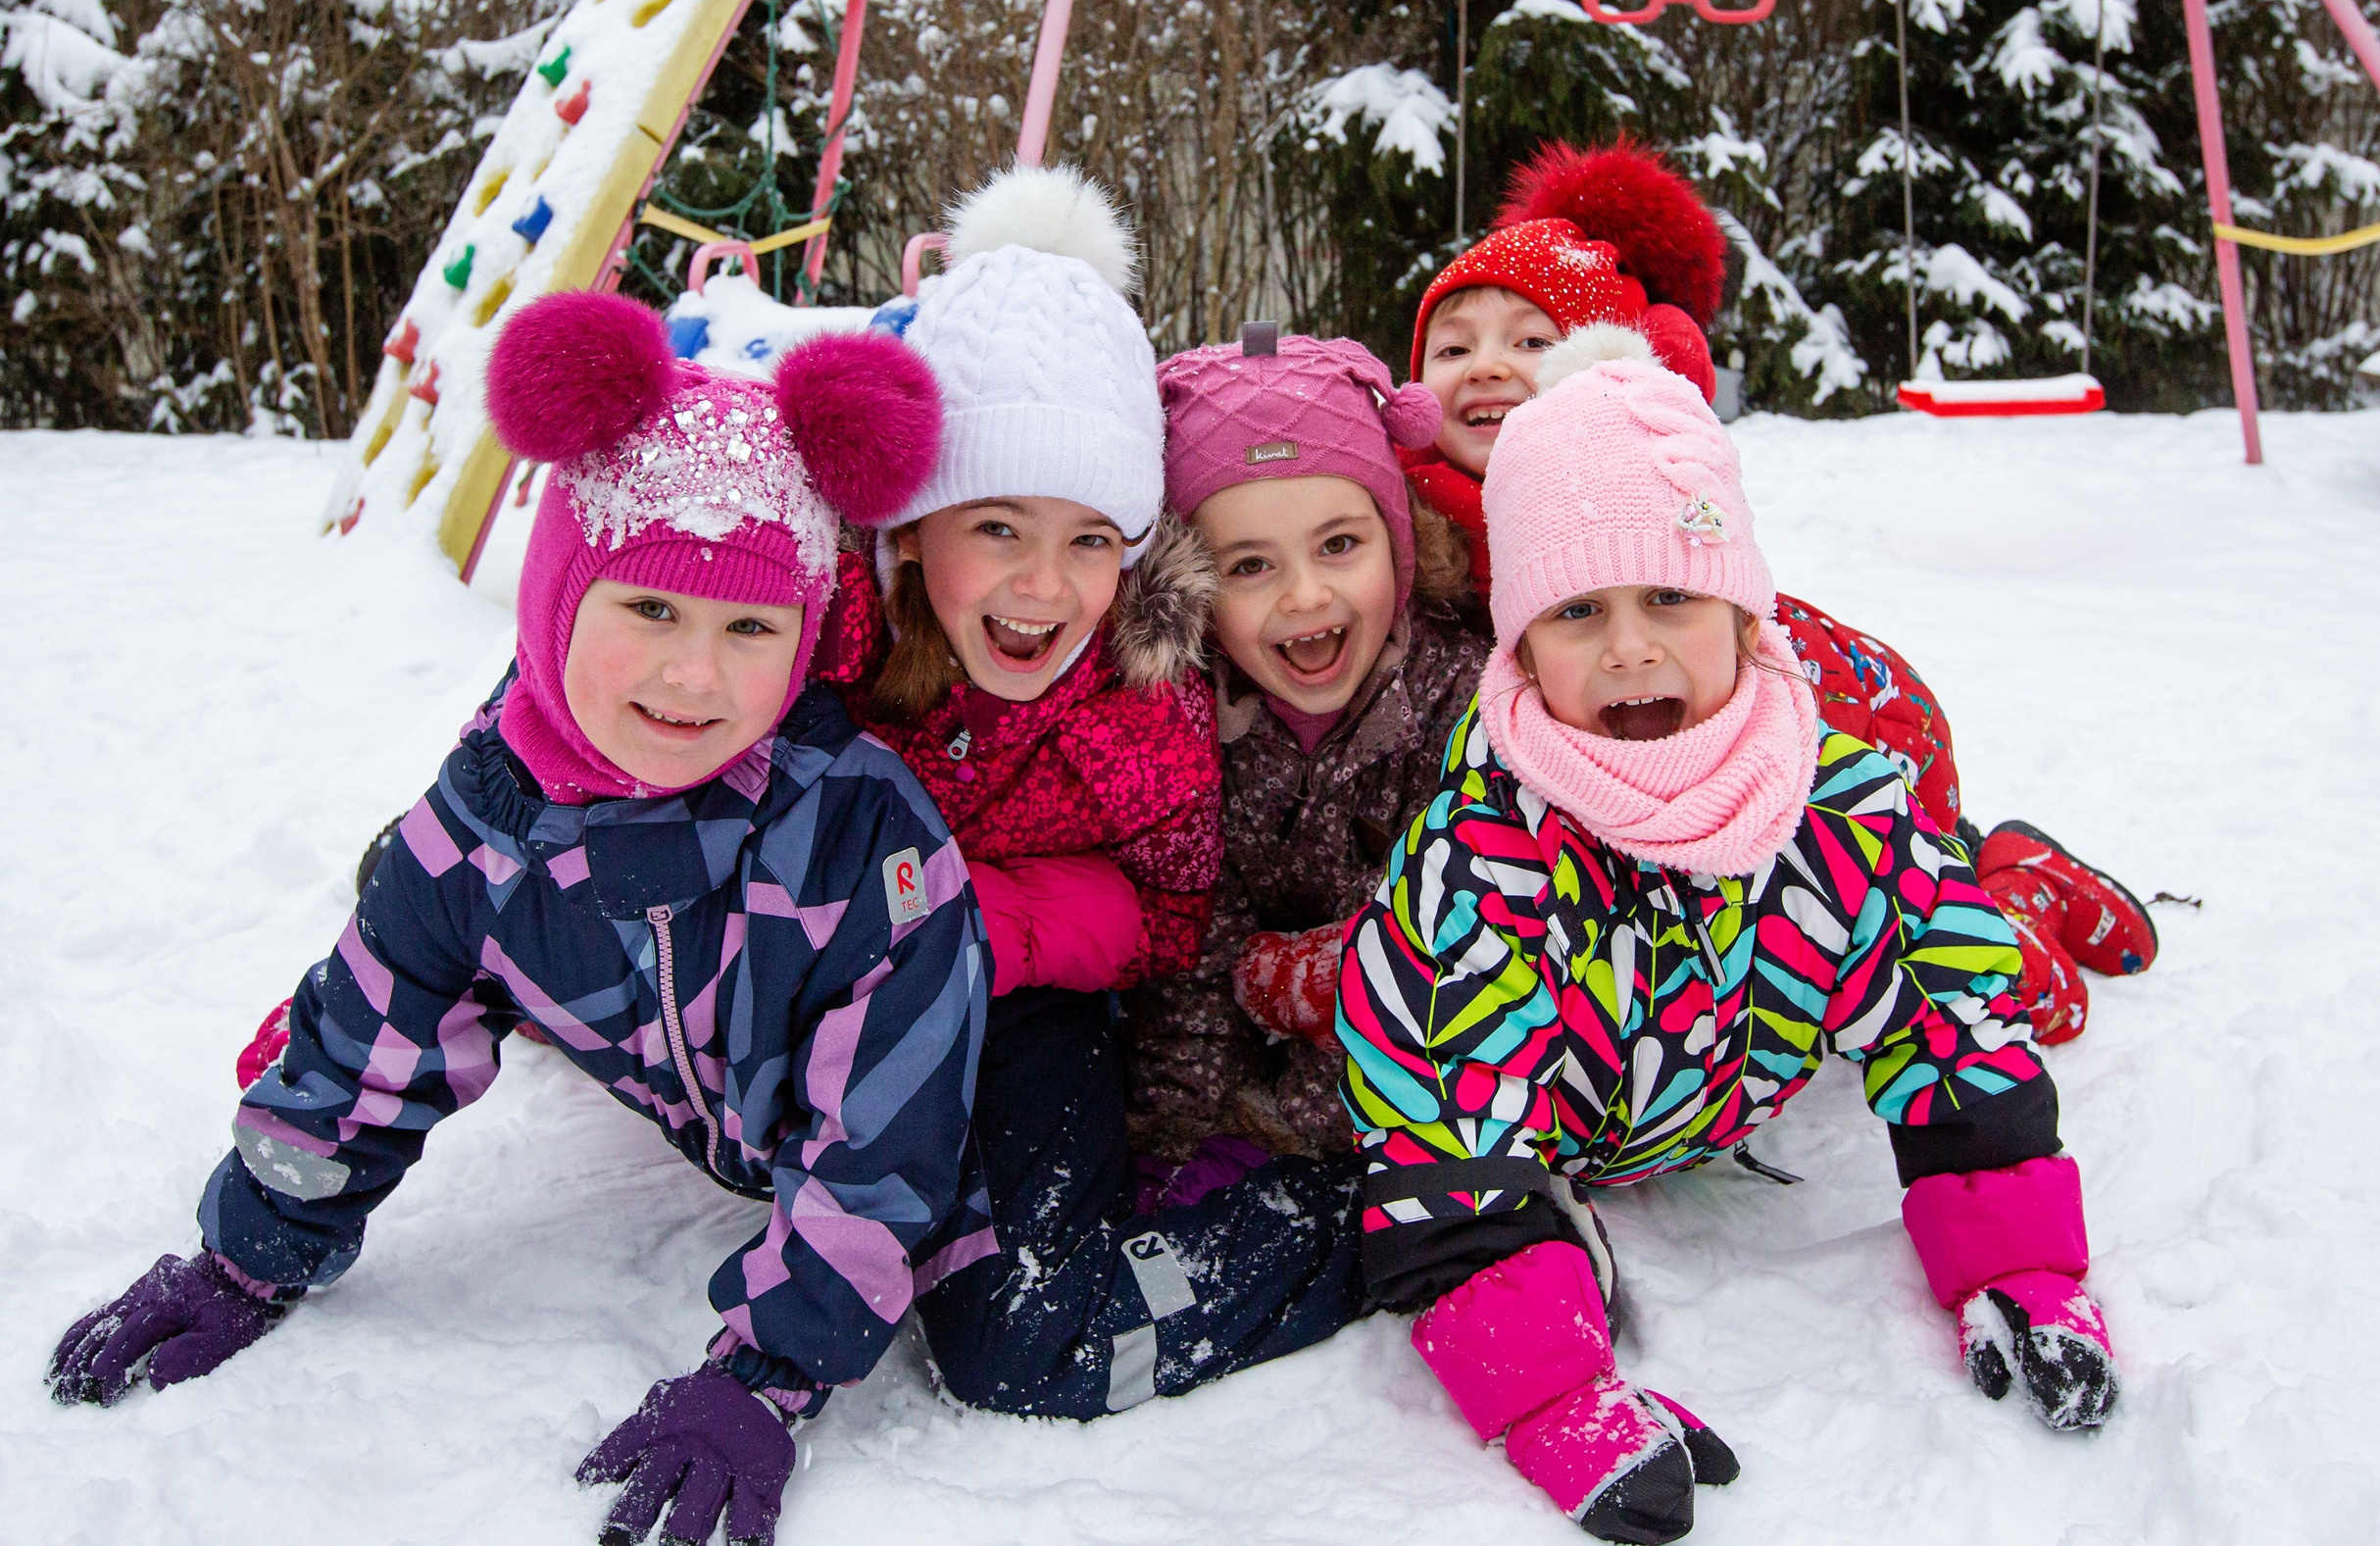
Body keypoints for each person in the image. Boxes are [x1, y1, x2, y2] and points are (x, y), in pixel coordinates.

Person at [50, 292, 990, 1546]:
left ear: (804, 634)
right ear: (557, 598)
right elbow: (367, 1037)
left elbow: (887, 1145)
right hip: (701, 1093)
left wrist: (767, 1373)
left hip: (952, 1127)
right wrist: (245, 1256)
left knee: (1023, 1339)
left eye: (750, 628)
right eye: (648, 609)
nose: (693, 675)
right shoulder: (480, 823)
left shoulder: (863, 843)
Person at [1340, 328, 2118, 1544]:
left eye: (1670, 597)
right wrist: (1552, 1395)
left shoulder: (1839, 811)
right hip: (1575, 1133)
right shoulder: (1484, 862)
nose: (1630, 646)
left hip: (1729, 1080)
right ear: (1520, 643)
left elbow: (1953, 1022)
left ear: (1746, 613)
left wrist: (2016, 1265)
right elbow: (1441, 1120)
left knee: (1973, 932)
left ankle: (2021, 872)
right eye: (1577, 611)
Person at [1403, 136, 2156, 1044]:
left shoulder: (1652, 466)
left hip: (1840, 724)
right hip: (1624, 740)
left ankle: (2011, 875)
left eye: (1531, 341)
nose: (1485, 366)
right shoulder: (1402, 512)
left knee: (1975, 987)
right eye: (1454, 345)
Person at [839, 167, 1367, 1421]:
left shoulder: (1139, 696)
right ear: (913, 526)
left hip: (1031, 1016)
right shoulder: (826, 634)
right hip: (826, 1014)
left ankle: (1367, 1228)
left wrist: (973, 925)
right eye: (999, 526)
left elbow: (1174, 917)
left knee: (1019, 1350)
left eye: (1091, 537)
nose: (1045, 586)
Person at [1126, 323, 1481, 1160]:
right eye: (1250, 565)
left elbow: (1456, 964)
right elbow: (1192, 962)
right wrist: (1180, 1136)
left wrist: (1301, 1122)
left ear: (1397, 541)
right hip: (1272, 1040)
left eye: (1340, 544)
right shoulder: (1184, 726)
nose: (1306, 593)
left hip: (1396, 1086)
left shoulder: (1458, 705)